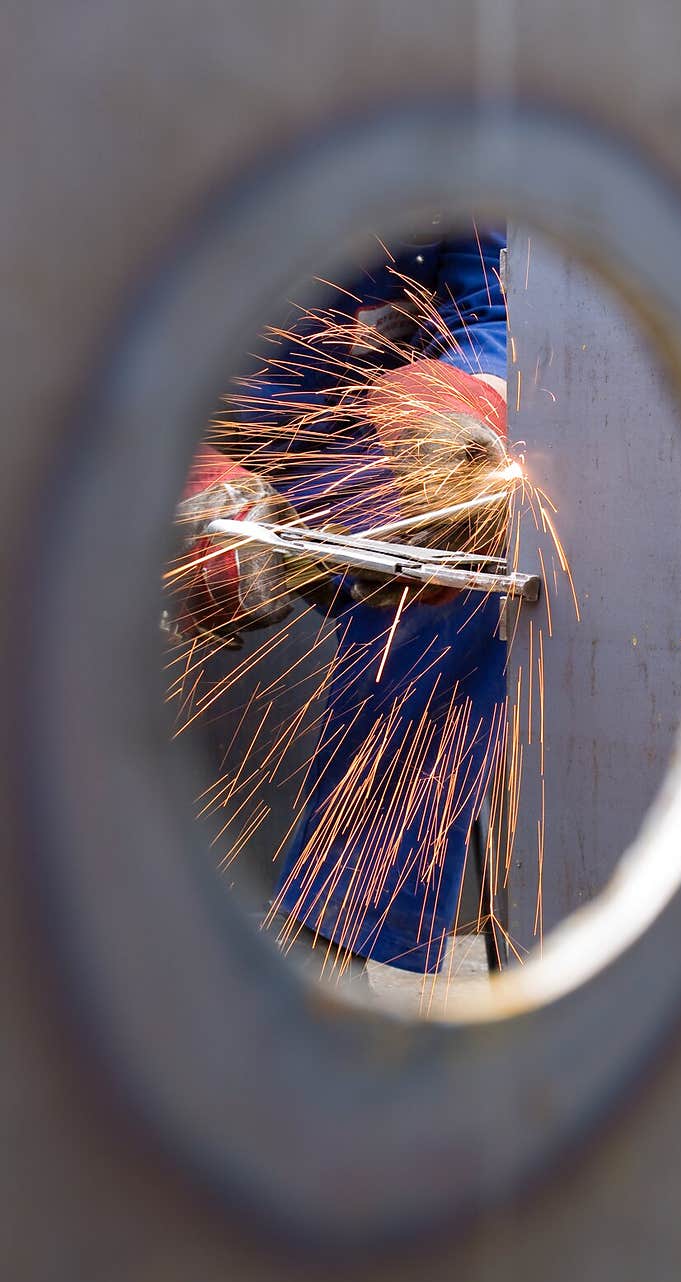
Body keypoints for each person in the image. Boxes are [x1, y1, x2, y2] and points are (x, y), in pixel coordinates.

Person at [172, 226, 508, 979]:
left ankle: (327, 938)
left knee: (458, 573)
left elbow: (492, 311)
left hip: (354, 445)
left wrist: (463, 399)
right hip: (159, 434)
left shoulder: (458, 128)